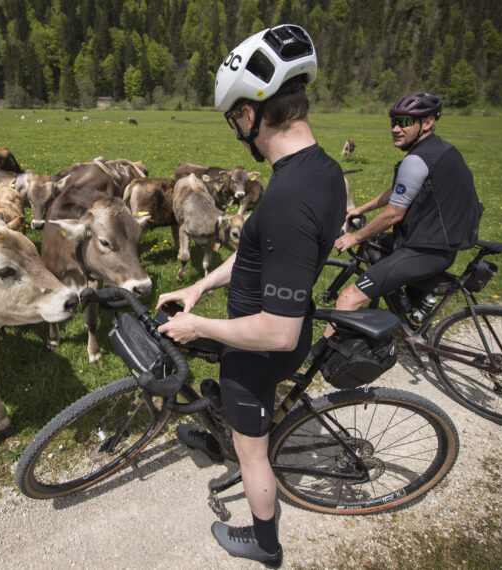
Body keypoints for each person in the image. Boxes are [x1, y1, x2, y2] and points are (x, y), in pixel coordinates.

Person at [156, 24, 346, 567]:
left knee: (253, 454)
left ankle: (264, 544)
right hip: (274, 326)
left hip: (262, 349)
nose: (237, 133)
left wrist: (201, 327)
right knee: (236, 409)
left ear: (249, 114)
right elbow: (257, 253)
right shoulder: (321, 170)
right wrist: (199, 285)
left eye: (234, 119)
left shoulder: (287, 197)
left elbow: (278, 330)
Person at [326, 92, 482, 336]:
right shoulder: (441, 150)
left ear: (428, 122)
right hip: (446, 244)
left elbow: (393, 215)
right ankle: (410, 304)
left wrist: (354, 238)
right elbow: (403, 189)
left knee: (348, 297)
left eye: (405, 122)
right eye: (394, 122)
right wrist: (361, 209)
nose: (396, 129)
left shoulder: (417, 159)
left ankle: (327, 357)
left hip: (424, 251)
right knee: (377, 243)